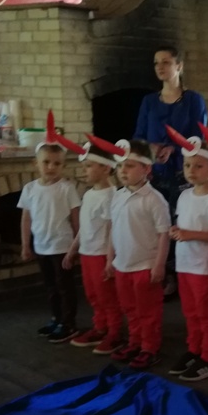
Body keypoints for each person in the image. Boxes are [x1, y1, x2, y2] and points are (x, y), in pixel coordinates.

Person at [133, 46, 208, 294]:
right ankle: (159, 272)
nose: (160, 67)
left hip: (183, 172)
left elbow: (198, 137)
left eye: (166, 62)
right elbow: (139, 135)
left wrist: (174, 149)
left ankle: (179, 275)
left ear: (179, 66)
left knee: (179, 222)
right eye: (156, 63)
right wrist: (150, 148)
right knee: (156, 224)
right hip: (154, 173)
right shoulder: (148, 101)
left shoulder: (193, 100)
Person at [98, 137, 171, 370]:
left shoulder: (154, 200)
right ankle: (135, 342)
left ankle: (149, 347)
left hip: (145, 266)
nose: (123, 171)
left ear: (146, 169)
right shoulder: (118, 196)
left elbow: (164, 234)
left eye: (129, 166)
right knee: (129, 308)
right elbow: (113, 229)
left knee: (148, 311)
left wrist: (159, 265)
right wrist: (110, 259)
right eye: (120, 166)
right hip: (123, 265)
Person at [166, 132, 208, 382]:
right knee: (190, 312)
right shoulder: (184, 196)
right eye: (188, 165)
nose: (191, 170)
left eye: (198, 166)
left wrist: (189, 234)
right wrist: (176, 231)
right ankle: (194, 350)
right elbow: (184, 226)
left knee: (206, 314)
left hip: (204, 267)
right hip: (185, 265)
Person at [18, 133, 82, 344]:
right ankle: (56, 318)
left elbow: (76, 219)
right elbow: (26, 219)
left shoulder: (67, 188)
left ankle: (69, 323)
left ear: (63, 165)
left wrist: (77, 246)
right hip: (41, 246)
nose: (51, 167)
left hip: (62, 246)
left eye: (57, 163)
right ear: (35, 163)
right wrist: (26, 245)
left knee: (65, 287)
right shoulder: (30, 189)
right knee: (50, 287)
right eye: (46, 162)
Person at [63, 139, 124, 354]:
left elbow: (112, 230)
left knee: (107, 296)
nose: (84, 170)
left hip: (101, 255)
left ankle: (114, 333)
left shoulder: (112, 196)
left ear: (106, 168)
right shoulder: (89, 194)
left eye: (89, 166)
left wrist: (109, 259)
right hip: (87, 254)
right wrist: (73, 249)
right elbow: (85, 226)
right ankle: (100, 327)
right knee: (93, 295)